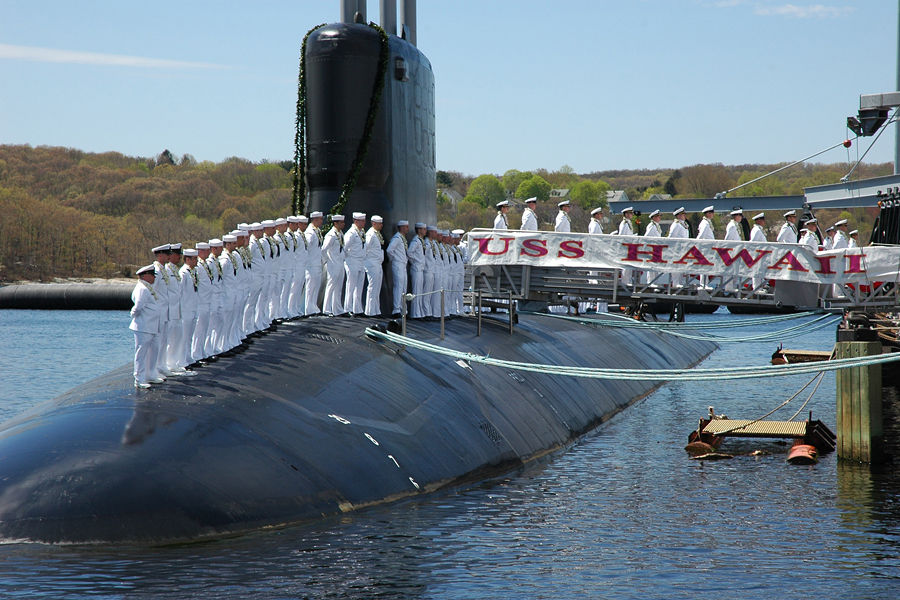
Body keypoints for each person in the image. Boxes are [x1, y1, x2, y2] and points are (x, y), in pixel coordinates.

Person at [130, 265, 162, 388]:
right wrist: (134, 315)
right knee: (141, 353)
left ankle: (150, 375)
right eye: (152, 275)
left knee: (153, 350)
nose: (154, 277)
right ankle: (139, 378)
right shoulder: (142, 289)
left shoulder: (147, 288)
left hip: (151, 325)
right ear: (145, 276)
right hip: (143, 325)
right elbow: (138, 307)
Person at [176, 249, 200, 374]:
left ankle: (188, 358)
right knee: (184, 336)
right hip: (185, 309)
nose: (196, 261)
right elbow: (180, 293)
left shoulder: (193, 271)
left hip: (193, 307)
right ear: (188, 259)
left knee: (190, 335)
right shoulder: (183, 273)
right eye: (194, 259)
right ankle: (182, 361)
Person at [151, 244, 172, 379]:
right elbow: (153, 291)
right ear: (159, 255)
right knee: (158, 340)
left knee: (164, 339)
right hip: (160, 310)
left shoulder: (163, 270)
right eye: (166, 254)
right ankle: (156, 368)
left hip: (166, 310)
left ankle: (162, 365)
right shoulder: (156, 271)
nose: (168, 256)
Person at [192, 242, 214, 363]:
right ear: (199, 252)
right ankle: (196, 354)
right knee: (199, 329)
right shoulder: (198, 267)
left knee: (204, 328)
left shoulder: (205, 264)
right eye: (205, 250)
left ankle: (201, 352)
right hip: (201, 301)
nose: (208, 252)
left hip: (207, 300)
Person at [322, 214, 347, 316]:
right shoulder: (331, 235)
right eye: (341, 222)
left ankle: (337, 309)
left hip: (340, 263)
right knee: (331, 286)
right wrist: (327, 260)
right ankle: (326, 309)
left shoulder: (340, 233)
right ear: (335, 223)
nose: (343, 224)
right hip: (333, 264)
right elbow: (324, 249)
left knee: (338, 287)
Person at [343, 212, 367, 315]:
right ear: (356, 221)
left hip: (361, 262)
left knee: (359, 287)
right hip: (352, 262)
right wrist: (348, 259)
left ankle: (357, 309)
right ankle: (347, 309)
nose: (364, 223)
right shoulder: (351, 233)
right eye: (362, 221)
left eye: (364, 221)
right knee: (351, 286)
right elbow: (344, 247)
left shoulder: (361, 232)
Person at [387, 220, 410, 317]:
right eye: (406, 227)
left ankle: (402, 309)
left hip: (403, 265)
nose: (408, 229)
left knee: (404, 287)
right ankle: (396, 309)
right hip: (398, 265)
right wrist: (394, 259)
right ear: (401, 227)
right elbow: (389, 250)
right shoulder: (396, 238)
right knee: (399, 287)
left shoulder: (402, 238)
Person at [288, 215, 309, 317]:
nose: (304, 226)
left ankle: (295, 309)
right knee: (294, 288)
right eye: (301, 224)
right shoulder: (294, 236)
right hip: (296, 265)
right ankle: (291, 310)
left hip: (302, 265)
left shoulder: (301, 235)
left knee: (299, 288)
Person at [364, 215, 385, 316]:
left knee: (377, 288)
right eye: (379, 223)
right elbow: (365, 249)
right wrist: (368, 261)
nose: (381, 225)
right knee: (372, 287)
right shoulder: (370, 234)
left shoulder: (377, 234)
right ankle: (370, 311)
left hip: (378, 263)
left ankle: (376, 310)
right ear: (373, 223)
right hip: (372, 263)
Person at [305, 211, 325, 315]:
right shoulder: (310, 232)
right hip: (311, 264)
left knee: (315, 286)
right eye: (320, 219)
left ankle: (313, 307)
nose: (322, 221)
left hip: (316, 263)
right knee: (311, 287)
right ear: (315, 219)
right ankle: (308, 309)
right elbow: (306, 247)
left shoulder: (316, 231)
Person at [407, 222, 427, 318]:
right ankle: (415, 313)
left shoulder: (420, 240)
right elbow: (410, 253)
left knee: (419, 292)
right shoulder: (415, 241)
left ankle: (418, 312)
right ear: (419, 230)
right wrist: (416, 262)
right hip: (417, 269)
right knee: (416, 291)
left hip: (420, 269)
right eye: (423, 229)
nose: (425, 231)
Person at [668, 207, 690, 287]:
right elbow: (671, 237)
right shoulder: (676, 224)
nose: (684, 216)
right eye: (683, 214)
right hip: (676, 249)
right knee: (676, 266)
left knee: (681, 267)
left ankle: (679, 282)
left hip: (683, 249)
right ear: (679, 215)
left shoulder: (683, 224)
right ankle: (675, 283)